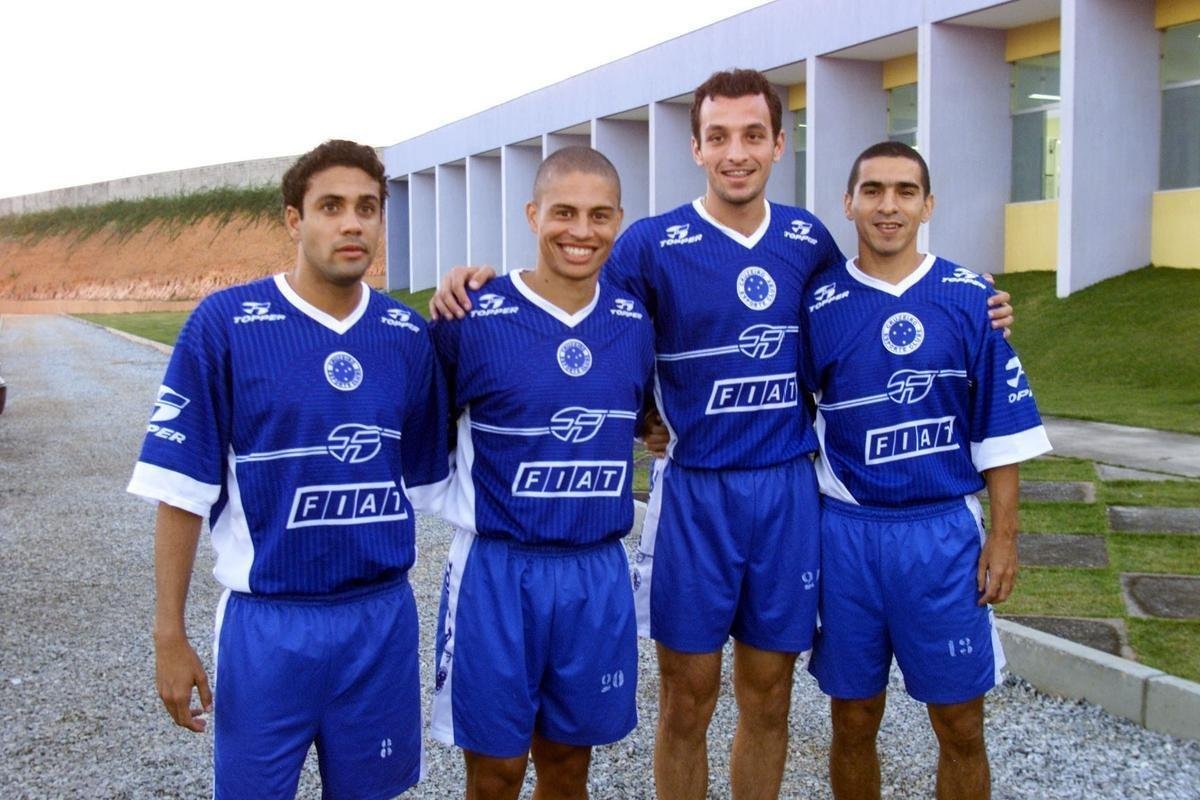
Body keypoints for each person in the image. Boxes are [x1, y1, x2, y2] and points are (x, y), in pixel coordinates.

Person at [430, 69, 1013, 800]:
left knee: (769, 696)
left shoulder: (807, 240)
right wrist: (476, 282)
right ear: (697, 148)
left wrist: (972, 302)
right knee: (687, 699)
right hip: (694, 495)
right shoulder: (649, 243)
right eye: (718, 137)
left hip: (787, 491)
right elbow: (573, 312)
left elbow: (865, 302)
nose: (736, 152)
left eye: (751, 136)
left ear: (777, 144)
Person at [128, 140, 448, 799]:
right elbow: (181, 491)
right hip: (269, 626)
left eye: (367, 207)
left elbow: (430, 470)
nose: (352, 222)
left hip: (379, 621)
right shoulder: (224, 325)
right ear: (293, 220)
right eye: (330, 206)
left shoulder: (406, 335)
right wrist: (169, 634)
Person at [803, 141, 1051, 800]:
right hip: (847, 536)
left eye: (905, 191)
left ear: (927, 204)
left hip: (941, 536)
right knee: (853, 718)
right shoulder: (817, 304)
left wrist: (1004, 538)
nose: (889, 206)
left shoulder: (971, 297)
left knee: (961, 722)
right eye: (874, 190)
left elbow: (1000, 429)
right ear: (849, 202)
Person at [424, 146, 655, 800]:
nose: (581, 231)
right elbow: (424, 431)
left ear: (619, 221)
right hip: (498, 573)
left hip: (594, 570)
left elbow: (648, 419)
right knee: (495, 774)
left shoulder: (635, 322)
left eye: (599, 215)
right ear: (532, 215)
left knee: (567, 767)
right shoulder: (470, 315)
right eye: (564, 213)